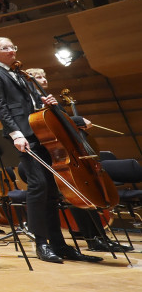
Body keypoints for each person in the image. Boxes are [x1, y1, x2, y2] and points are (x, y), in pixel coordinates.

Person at [0, 37, 100, 264]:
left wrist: (45, 101)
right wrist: (15, 134)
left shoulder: (22, 74)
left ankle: (59, 244)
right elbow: (1, 106)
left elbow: (33, 102)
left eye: (13, 46)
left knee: (52, 192)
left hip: (43, 135)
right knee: (39, 186)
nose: (11, 50)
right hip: (24, 136)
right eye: (5, 47)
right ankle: (41, 244)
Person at [22, 67, 128, 253]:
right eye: (37, 77)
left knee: (84, 192)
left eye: (43, 76)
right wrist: (77, 119)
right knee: (77, 192)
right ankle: (91, 238)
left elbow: (64, 123)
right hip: (52, 157)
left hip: (68, 154)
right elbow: (44, 125)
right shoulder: (31, 103)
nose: (42, 79)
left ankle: (98, 236)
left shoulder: (50, 100)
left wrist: (75, 120)